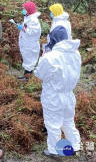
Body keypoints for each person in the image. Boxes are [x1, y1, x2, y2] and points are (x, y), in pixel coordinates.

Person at [34, 26, 81, 158]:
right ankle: (75, 146)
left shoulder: (51, 57)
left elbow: (40, 74)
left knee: (53, 123)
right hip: (68, 94)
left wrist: (43, 56)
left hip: (53, 95)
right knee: (68, 121)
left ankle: (54, 151)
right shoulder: (76, 53)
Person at [17, 1, 41, 80]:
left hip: (30, 44)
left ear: (29, 9)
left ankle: (27, 78)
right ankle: (26, 76)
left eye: (25, 9)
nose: (23, 10)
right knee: (27, 59)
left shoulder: (33, 20)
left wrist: (23, 28)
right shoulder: (28, 17)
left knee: (29, 61)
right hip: (26, 43)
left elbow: (32, 32)